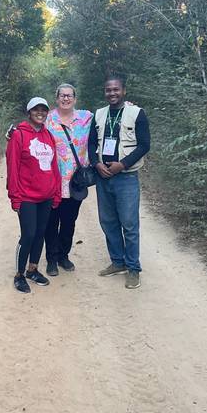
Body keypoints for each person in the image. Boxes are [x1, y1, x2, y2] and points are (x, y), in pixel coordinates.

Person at [88, 75, 150, 289]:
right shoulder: (99, 114)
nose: (112, 93)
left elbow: (144, 145)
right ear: (104, 92)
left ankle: (133, 268)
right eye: (108, 90)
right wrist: (97, 164)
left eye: (116, 89)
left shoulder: (137, 114)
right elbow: (90, 143)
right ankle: (117, 262)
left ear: (124, 91)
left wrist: (122, 164)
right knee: (108, 222)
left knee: (129, 225)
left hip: (126, 177)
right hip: (103, 177)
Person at [6, 97, 62, 293]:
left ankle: (33, 269)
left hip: (46, 196)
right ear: (28, 112)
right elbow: (12, 168)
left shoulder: (48, 136)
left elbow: (55, 167)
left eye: (44, 110)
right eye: (36, 110)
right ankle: (19, 274)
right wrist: (15, 197)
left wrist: (56, 192)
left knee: (40, 234)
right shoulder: (18, 135)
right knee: (28, 234)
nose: (40, 113)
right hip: (27, 196)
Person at [43, 84, 93, 276]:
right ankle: (51, 259)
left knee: (69, 222)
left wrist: (127, 107)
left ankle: (64, 256)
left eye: (69, 95)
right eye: (62, 95)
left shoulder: (86, 117)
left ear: (75, 98)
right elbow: (30, 132)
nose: (66, 99)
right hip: (52, 181)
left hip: (75, 183)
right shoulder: (48, 119)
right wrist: (14, 136)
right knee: (51, 222)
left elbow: (108, 117)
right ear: (57, 98)